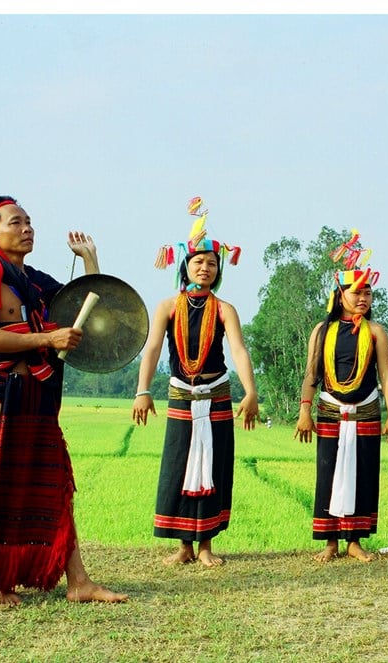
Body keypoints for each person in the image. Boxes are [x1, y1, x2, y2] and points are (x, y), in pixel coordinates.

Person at [0, 195, 127, 607]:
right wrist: (46, 338)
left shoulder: (37, 282)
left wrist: (90, 260)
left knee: (56, 483)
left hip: (36, 389)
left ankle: (79, 581)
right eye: (16, 222)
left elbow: (87, 310)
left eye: (29, 222)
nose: (27, 228)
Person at [132, 197, 258, 567]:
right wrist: (143, 391)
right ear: (185, 266)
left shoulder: (224, 308)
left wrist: (250, 392)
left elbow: (237, 350)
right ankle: (184, 546)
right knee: (179, 464)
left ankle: (205, 546)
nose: (205, 268)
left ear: (219, 270)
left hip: (216, 392)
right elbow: (153, 348)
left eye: (212, 263)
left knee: (214, 466)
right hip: (181, 394)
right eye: (199, 261)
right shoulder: (167, 306)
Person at [295, 230, 388, 562]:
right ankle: (330, 541)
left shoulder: (377, 332)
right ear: (339, 295)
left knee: (364, 473)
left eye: (368, 293)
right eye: (356, 292)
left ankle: (355, 541)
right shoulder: (322, 330)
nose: (362, 299)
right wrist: (304, 410)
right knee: (328, 472)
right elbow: (312, 373)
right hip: (329, 409)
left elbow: (385, 374)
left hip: (366, 409)